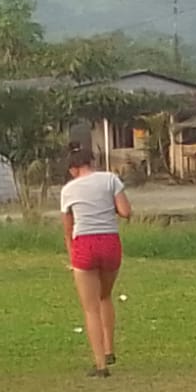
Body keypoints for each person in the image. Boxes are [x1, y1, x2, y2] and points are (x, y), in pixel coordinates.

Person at [59, 144, 131, 377]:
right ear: (92, 162)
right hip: (109, 241)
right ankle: (110, 349)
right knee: (105, 296)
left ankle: (100, 365)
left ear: (73, 169)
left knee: (90, 308)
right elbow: (126, 212)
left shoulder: (68, 190)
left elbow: (68, 228)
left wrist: (72, 256)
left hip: (84, 243)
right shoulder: (110, 179)